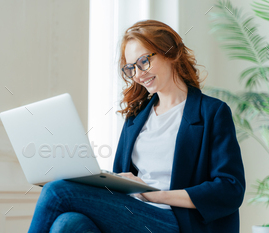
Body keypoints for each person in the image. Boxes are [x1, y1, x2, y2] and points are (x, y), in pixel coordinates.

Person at [27, 20, 246, 233]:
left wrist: (155, 194)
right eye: (131, 68)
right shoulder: (136, 118)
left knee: (57, 191)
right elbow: (123, 180)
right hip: (133, 214)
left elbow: (230, 188)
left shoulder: (212, 112)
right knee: (67, 223)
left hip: (176, 220)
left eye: (144, 61)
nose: (139, 75)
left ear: (170, 52)